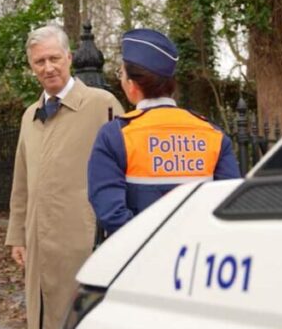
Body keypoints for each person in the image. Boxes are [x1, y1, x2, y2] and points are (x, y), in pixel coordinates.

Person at [5, 24, 123, 329]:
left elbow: (126, 167)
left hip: (86, 243)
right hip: (41, 246)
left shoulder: (102, 104)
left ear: (69, 57)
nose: (48, 67)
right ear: (31, 66)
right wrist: (17, 235)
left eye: (54, 58)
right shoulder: (30, 116)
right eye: (39, 61)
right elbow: (21, 181)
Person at [88, 29, 241, 236]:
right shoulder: (212, 134)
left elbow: (111, 213)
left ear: (132, 85)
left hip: (140, 252)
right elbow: (230, 205)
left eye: (121, 74)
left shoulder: (115, 136)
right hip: (199, 249)